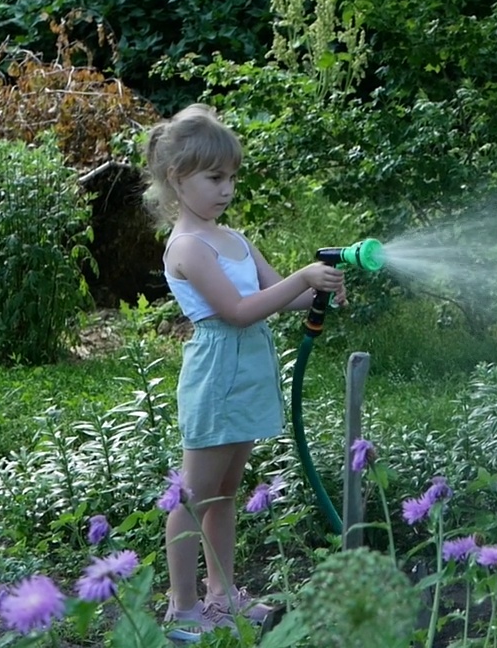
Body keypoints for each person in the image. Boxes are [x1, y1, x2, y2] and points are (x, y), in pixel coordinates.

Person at [142, 103, 347, 641]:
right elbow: (237, 310)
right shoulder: (187, 247)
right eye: (214, 178)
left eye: (231, 177)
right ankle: (183, 609)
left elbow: (280, 299)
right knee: (194, 494)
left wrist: (319, 290)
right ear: (175, 179)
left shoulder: (234, 238)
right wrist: (302, 276)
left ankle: (222, 596)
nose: (226, 188)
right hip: (217, 372)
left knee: (226, 490)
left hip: (250, 370)